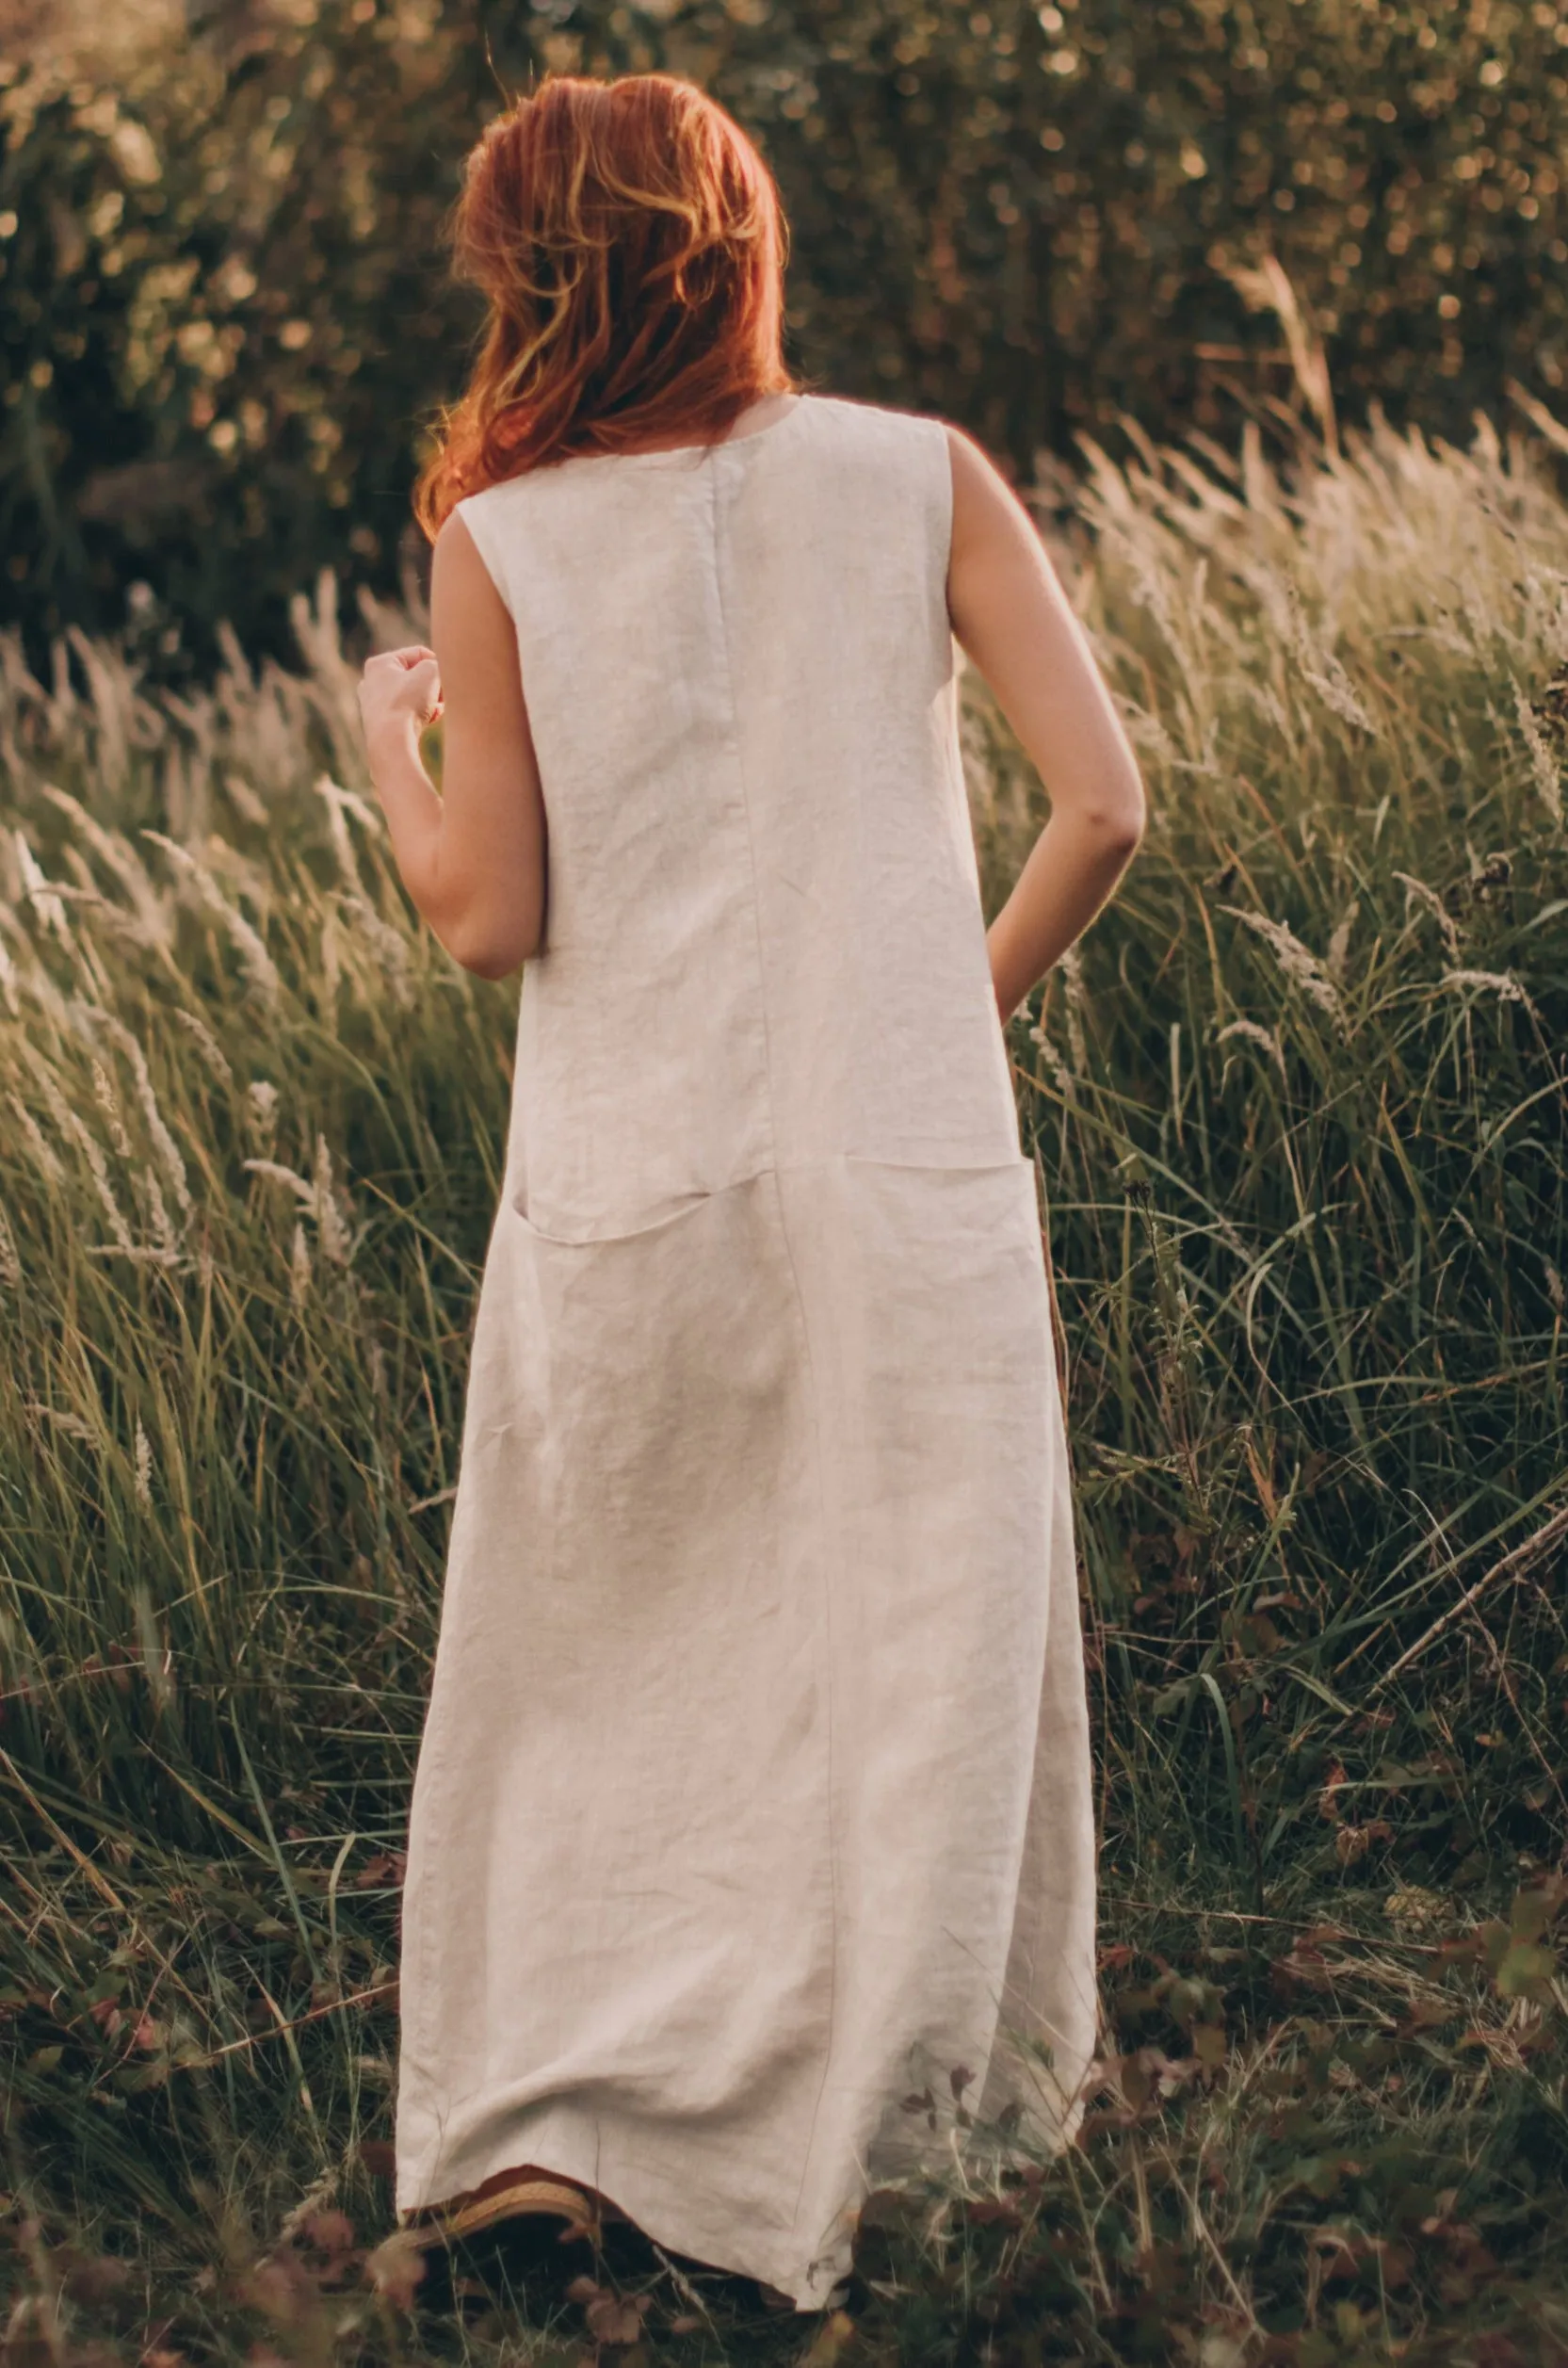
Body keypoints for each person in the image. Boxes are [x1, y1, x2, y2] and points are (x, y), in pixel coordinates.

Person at [356, 70, 1144, 2314]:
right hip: (901, 1164)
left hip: (632, 1179)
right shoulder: (918, 477)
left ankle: (573, 2127)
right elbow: (1101, 809)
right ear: (741, 239)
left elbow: (489, 916)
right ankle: (889, 2132)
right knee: (902, 1652)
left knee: (611, 1673)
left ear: (532, 279)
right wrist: (946, 1015)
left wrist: (381, 751)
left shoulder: (497, 541)